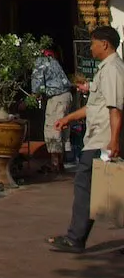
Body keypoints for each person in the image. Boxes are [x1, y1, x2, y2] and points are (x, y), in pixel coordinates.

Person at [48, 25, 124, 253]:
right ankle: (76, 236)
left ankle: (75, 238)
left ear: (105, 44)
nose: (90, 48)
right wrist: (68, 118)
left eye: (92, 43)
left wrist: (114, 140)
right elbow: (95, 107)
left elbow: (115, 108)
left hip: (103, 139)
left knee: (87, 187)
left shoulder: (112, 70)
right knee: (107, 190)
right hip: (100, 136)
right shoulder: (107, 69)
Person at [31, 47, 72, 174]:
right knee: (62, 128)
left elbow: (37, 86)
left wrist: (30, 99)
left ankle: (55, 164)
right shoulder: (53, 61)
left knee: (53, 128)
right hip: (67, 96)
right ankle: (60, 162)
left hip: (56, 98)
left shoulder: (40, 62)